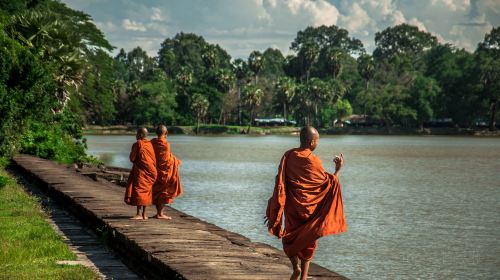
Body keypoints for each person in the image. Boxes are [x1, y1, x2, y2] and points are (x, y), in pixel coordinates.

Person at [265, 126, 346, 280]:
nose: (318, 144)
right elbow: (327, 184)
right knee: (308, 241)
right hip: (310, 209)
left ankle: (295, 266)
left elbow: (280, 180)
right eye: (317, 141)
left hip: (293, 207)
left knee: (289, 237)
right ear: (311, 142)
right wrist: (338, 170)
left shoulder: (289, 155)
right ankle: (304, 277)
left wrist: (273, 204)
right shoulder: (313, 161)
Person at [150, 125, 182, 219]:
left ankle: (158, 213)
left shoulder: (152, 142)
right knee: (164, 191)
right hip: (164, 171)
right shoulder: (165, 143)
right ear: (166, 133)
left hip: (156, 170)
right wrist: (175, 161)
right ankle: (160, 214)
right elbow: (167, 159)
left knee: (157, 191)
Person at [124, 128, 157, 220]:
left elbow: (132, 158)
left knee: (139, 189)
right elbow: (153, 159)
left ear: (141, 135)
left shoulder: (138, 143)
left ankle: (138, 214)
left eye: (137, 134)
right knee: (146, 191)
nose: (136, 136)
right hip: (151, 172)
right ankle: (144, 214)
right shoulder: (150, 144)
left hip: (142, 171)